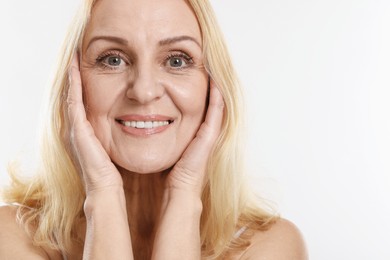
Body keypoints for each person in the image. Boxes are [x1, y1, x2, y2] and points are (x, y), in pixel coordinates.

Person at [0, 0, 307, 259]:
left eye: (176, 60)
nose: (144, 91)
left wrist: (184, 195)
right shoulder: (12, 240)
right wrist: (103, 198)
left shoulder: (269, 247)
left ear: (214, 86)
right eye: (113, 59)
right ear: (73, 84)